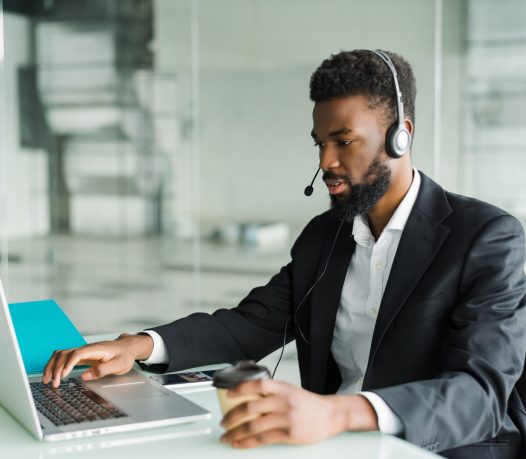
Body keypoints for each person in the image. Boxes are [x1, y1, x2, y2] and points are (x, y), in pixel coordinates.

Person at [42, 49, 526, 459]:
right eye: (320, 143)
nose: (325, 163)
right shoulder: (325, 235)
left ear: (402, 135)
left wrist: (336, 411)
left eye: (344, 142)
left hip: (432, 449)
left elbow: (479, 396)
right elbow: (252, 323)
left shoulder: (485, 237)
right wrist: (139, 346)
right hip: (332, 443)